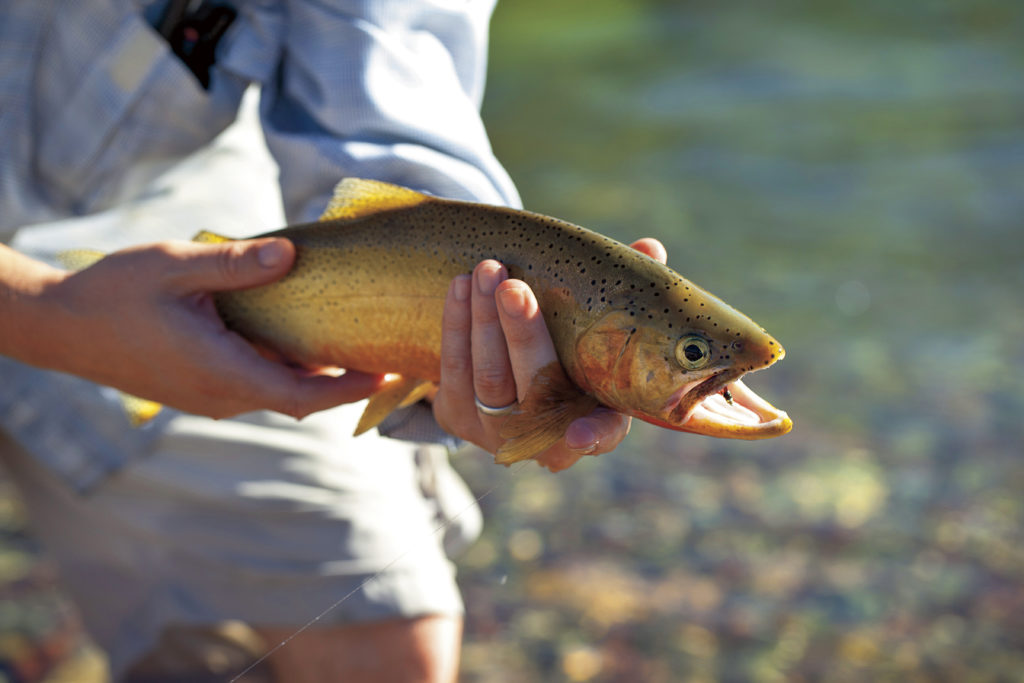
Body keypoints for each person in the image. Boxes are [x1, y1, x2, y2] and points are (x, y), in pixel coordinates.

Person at [0, 2, 661, 681]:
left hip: (155, 219)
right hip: (53, 286)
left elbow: (382, 58)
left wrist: (460, 319)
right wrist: (46, 316)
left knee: (383, 637)